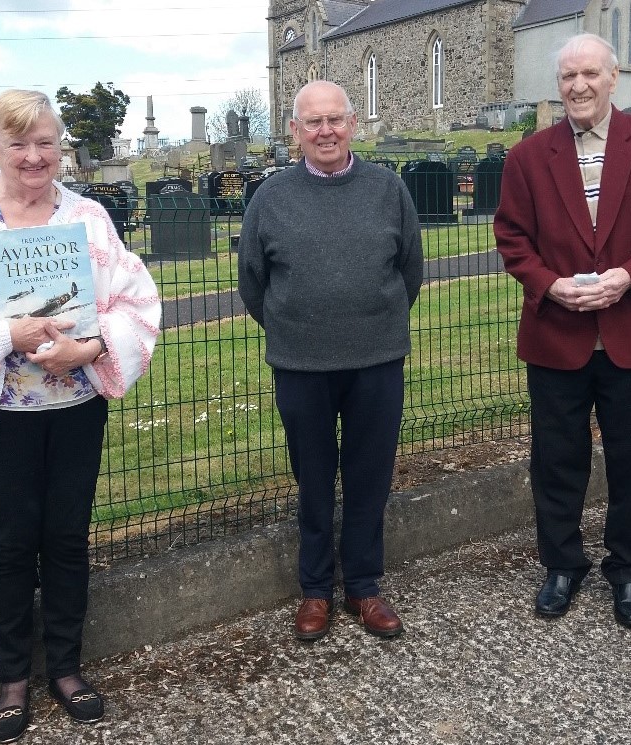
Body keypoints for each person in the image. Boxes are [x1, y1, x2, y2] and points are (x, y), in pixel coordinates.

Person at [0, 90, 161, 742]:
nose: (35, 156)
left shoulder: (89, 218)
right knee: (10, 544)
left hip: (74, 409)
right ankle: (13, 678)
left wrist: (88, 349)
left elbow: (136, 302)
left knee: (67, 538)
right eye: (19, 143)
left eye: (45, 142)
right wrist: (4, 335)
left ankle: (65, 668)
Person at [493, 34, 631, 629]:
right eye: (567, 76)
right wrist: (549, 285)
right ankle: (562, 565)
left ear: (614, 78)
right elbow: (512, 238)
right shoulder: (528, 158)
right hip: (557, 336)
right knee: (556, 460)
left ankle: (629, 569)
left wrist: (629, 277)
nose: (578, 85)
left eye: (589, 73)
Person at [238, 80, 424, 642]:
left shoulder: (388, 189)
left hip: (376, 360)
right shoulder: (270, 197)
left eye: (335, 120)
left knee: (370, 476)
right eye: (313, 122)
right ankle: (315, 589)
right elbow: (253, 283)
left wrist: (373, 321)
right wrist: (297, 327)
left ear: (353, 125)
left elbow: (410, 271)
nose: (326, 131)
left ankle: (363, 586)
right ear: (294, 130)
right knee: (313, 479)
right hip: (301, 365)